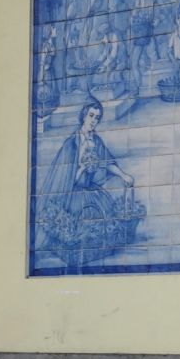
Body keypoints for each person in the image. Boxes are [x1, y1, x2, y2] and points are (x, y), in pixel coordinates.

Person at [37, 98, 144, 271]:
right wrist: (82, 168)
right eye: (91, 116)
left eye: (97, 118)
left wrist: (123, 175)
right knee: (79, 223)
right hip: (73, 193)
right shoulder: (72, 144)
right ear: (83, 116)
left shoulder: (96, 141)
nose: (94, 121)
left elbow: (107, 161)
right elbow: (67, 178)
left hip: (91, 190)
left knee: (104, 220)